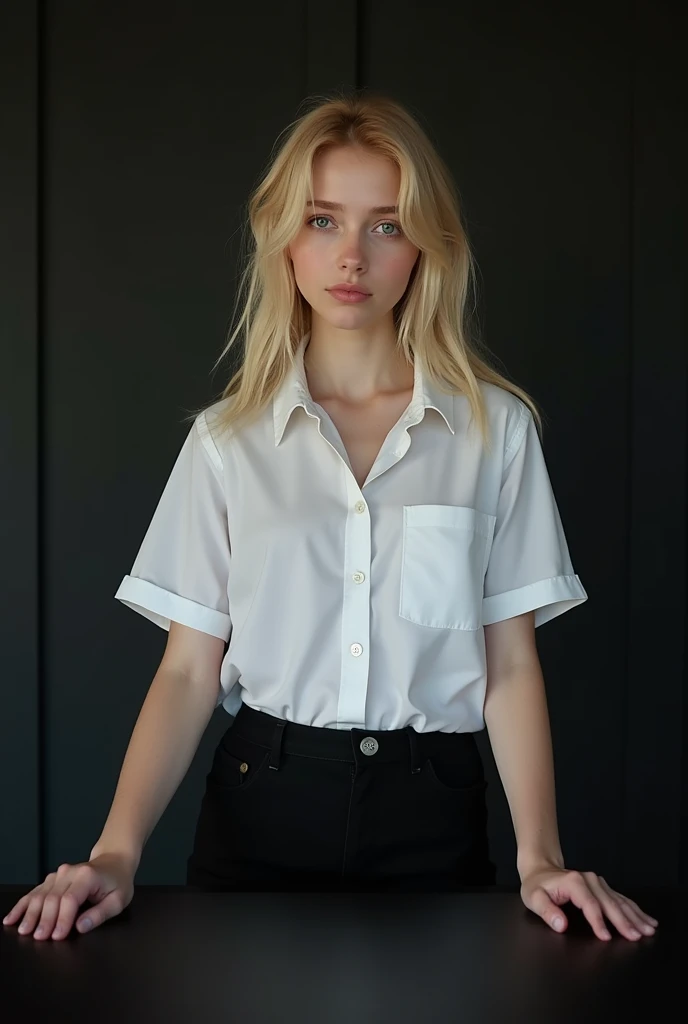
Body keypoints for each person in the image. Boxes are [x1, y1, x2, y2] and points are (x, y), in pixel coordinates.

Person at [3, 90, 658, 944]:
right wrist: (115, 853)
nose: (352, 255)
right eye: (322, 220)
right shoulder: (226, 443)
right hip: (259, 807)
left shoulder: (495, 431)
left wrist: (541, 857)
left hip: (436, 818)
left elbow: (510, 666)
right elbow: (188, 672)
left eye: (386, 225)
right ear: (284, 237)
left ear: (426, 246)